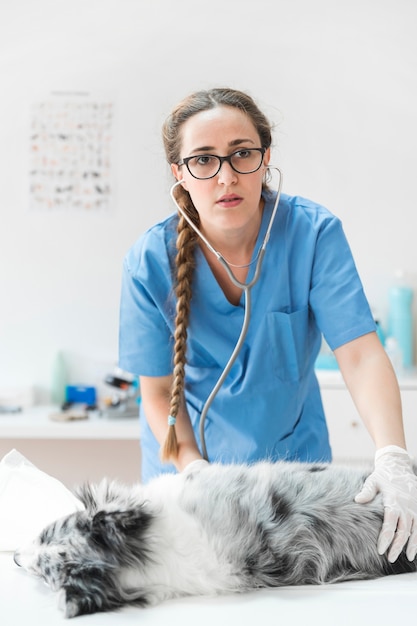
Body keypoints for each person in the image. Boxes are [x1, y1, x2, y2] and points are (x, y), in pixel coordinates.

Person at [119, 87, 417, 563]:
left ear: (265, 158)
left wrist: (393, 456)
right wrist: (193, 469)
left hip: (294, 475)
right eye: (203, 160)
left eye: (242, 154)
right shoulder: (150, 261)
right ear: (179, 174)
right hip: (189, 475)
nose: (226, 176)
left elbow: (360, 355)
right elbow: (155, 394)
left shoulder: (314, 234)